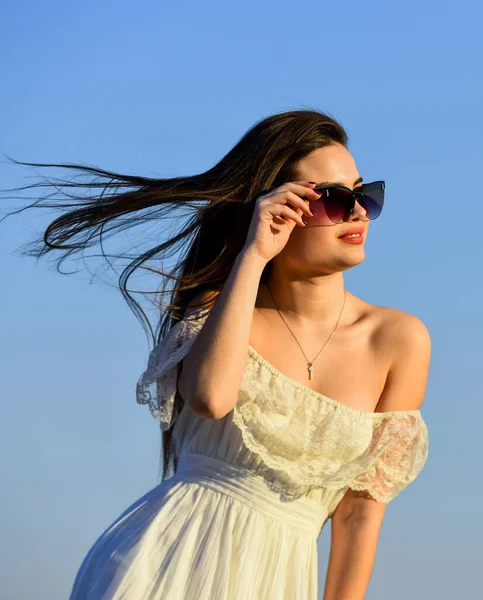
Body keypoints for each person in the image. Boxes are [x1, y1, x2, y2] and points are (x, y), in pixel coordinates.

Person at [4, 109, 430, 599]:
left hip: (279, 580)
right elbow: (210, 397)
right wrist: (253, 254)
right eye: (333, 199)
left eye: (364, 194)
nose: (356, 212)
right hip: (166, 561)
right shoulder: (218, 314)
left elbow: (360, 512)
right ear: (275, 209)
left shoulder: (397, 339)